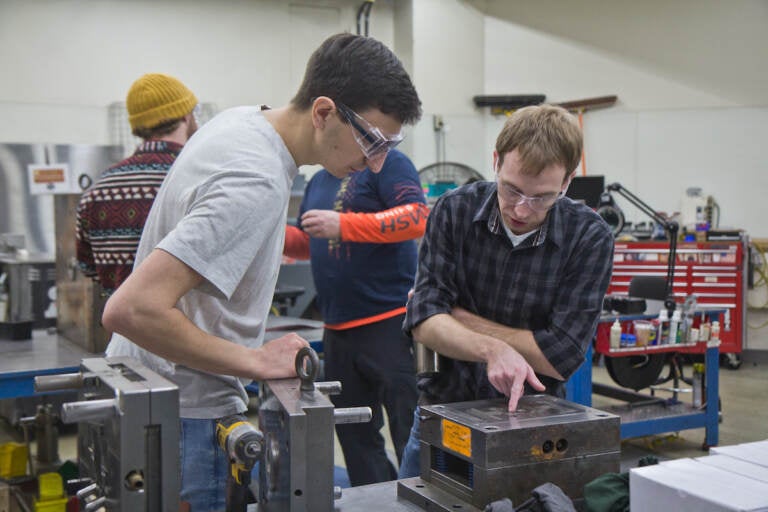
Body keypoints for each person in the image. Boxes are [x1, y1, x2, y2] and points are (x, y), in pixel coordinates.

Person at [102, 33, 421, 512]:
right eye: (371, 141)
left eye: (388, 146)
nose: (375, 162)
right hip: (184, 410)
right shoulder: (256, 179)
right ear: (323, 112)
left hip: (152, 390)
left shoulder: (243, 122)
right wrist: (256, 361)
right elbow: (131, 309)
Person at [397, 104, 614, 478]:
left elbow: (561, 356)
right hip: (444, 412)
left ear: (567, 181)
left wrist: (459, 318)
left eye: (542, 197)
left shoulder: (589, 237)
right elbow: (424, 322)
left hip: (529, 427)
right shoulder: (454, 211)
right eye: (511, 189)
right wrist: (494, 349)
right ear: (496, 161)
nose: (522, 209)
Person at [284, 148, 428, 485]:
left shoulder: (387, 163)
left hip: (389, 322)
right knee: (354, 435)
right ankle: (375, 502)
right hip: (338, 329)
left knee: (410, 431)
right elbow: (311, 242)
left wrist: (344, 224)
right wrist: (271, 233)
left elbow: (417, 217)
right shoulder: (319, 180)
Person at [76, 73, 199, 295]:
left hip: (121, 326)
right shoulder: (199, 178)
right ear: (186, 116)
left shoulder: (97, 190)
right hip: (187, 327)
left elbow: (87, 266)